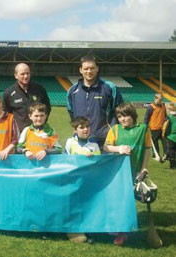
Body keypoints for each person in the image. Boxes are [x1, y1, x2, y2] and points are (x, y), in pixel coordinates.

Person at [103, 102, 152, 246]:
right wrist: (118, 148)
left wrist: (144, 168)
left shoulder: (143, 129)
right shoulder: (115, 130)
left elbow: (147, 149)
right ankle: (116, 228)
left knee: (129, 201)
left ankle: (124, 231)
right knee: (117, 200)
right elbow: (106, 147)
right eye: (119, 116)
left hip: (135, 172)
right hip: (116, 173)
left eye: (126, 116)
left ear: (133, 115)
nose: (123, 119)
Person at [67, 55, 124, 148]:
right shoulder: (72, 91)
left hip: (105, 139)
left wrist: (113, 131)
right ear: (80, 70)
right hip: (81, 141)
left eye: (92, 68)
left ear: (97, 69)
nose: (89, 71)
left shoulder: (109, 88)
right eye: (86, 68)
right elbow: (71, 112)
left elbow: (119, 111)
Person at [64, 116, 101, 243]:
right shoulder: (70, 142)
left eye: (87, 127)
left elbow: (98, 164)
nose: (85, 130)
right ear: (75, 130)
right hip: (73, 180)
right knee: (73, 204)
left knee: (88, 204)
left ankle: (88, 229)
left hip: (88, 181)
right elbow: (65, 159)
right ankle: (73, 230)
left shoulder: (94, 145)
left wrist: (90, 158)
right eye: (81, 127)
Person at [4, 63, 51, 132]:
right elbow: (6, 113)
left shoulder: (40, 89)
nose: (26, 76)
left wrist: (41, 121)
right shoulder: (8, 93)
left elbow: (47, 108)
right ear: (16, 75)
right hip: (18, 134)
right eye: (22, 74)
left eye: (27, 73)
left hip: (38, 132)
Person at [144, 93, 167, 161]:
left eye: (162, 99)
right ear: (155, 99)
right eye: (160, 99)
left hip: (162, 128)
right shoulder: (151, 107)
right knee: (155, 142)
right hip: (154, 128)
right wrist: (145, 125)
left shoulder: (163, 106)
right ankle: (156, 155)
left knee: (164, 141)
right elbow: (146, 117)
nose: (161, 101)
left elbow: (165, 116)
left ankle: (165, 154)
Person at [162, 103, 176, 168]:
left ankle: (172, 165)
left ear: (168, 110)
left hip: (171, 137)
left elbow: (165, 127)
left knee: (171, 151)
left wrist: (164, 135)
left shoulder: (168, 118)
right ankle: (167, 154)